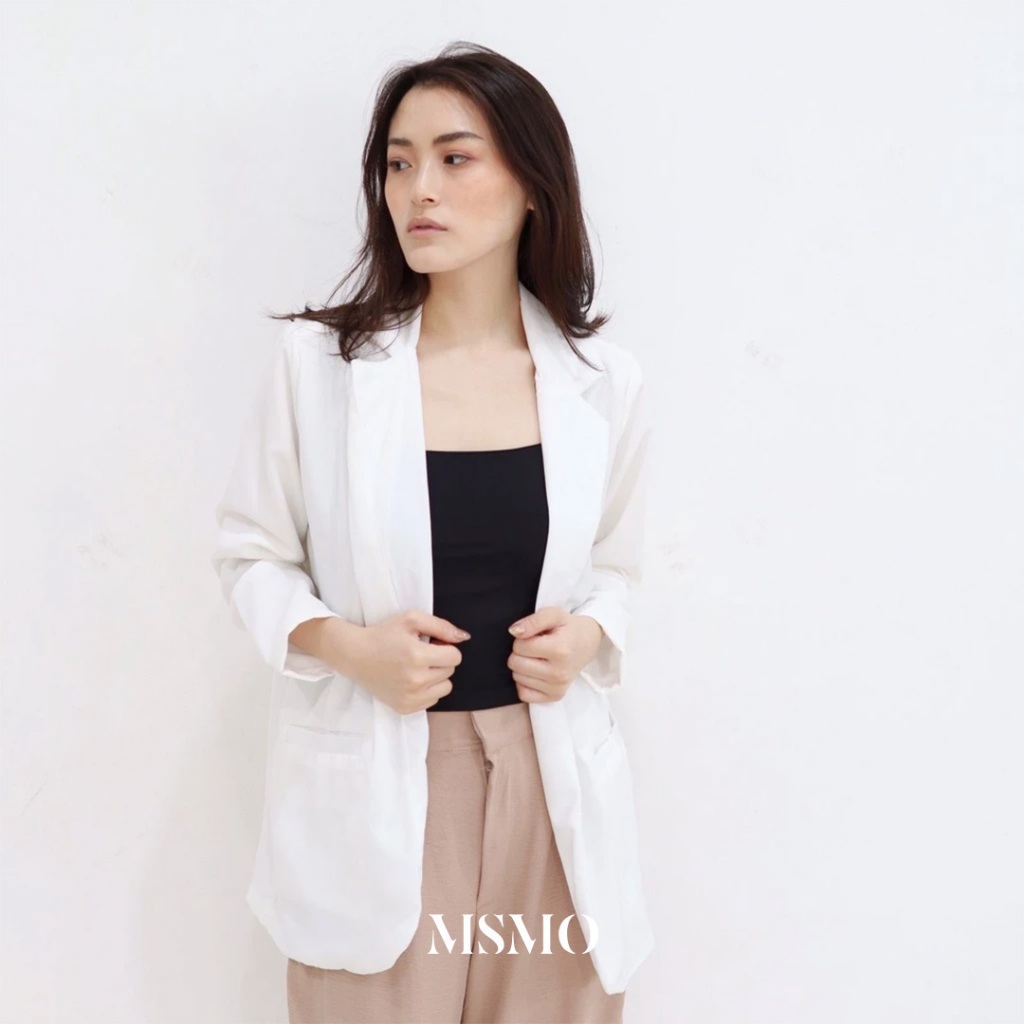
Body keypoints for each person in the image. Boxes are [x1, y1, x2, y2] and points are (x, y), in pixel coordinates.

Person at [212, 40, 654, 1024]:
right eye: (399, 162)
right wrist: (349, 648)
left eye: (455, 158)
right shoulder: (320, 368)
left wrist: (588, 635)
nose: (419, 189)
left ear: (531, 184)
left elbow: (618, 571)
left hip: (550, 787)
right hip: (384, 782)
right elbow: (249, 554)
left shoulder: (603, 383)